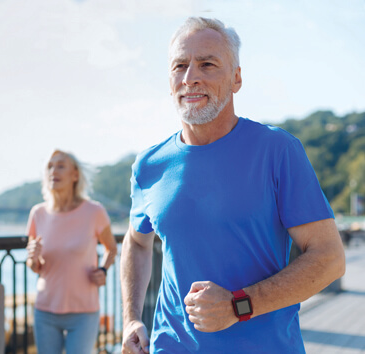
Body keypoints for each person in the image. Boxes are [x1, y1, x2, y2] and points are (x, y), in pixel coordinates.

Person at [120, 17, 345, 354]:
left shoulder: (277, 151)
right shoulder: (149, 165)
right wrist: (131, 318)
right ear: (170, 81)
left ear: (236, 77)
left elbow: (329, 258)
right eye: (179, 66)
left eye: (207, 64)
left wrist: (237, 306)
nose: (190, 77)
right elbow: (137, 243)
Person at [26, 149, 117, 354]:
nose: (53, 171)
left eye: (60, 166)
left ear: (75, 175)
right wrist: (33, 258)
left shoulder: (94, 212)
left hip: (84, 312)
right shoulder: (37, 214)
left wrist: (103, 270)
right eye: (49, 166)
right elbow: (34, 266)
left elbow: (111, 248)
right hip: (45, 310)